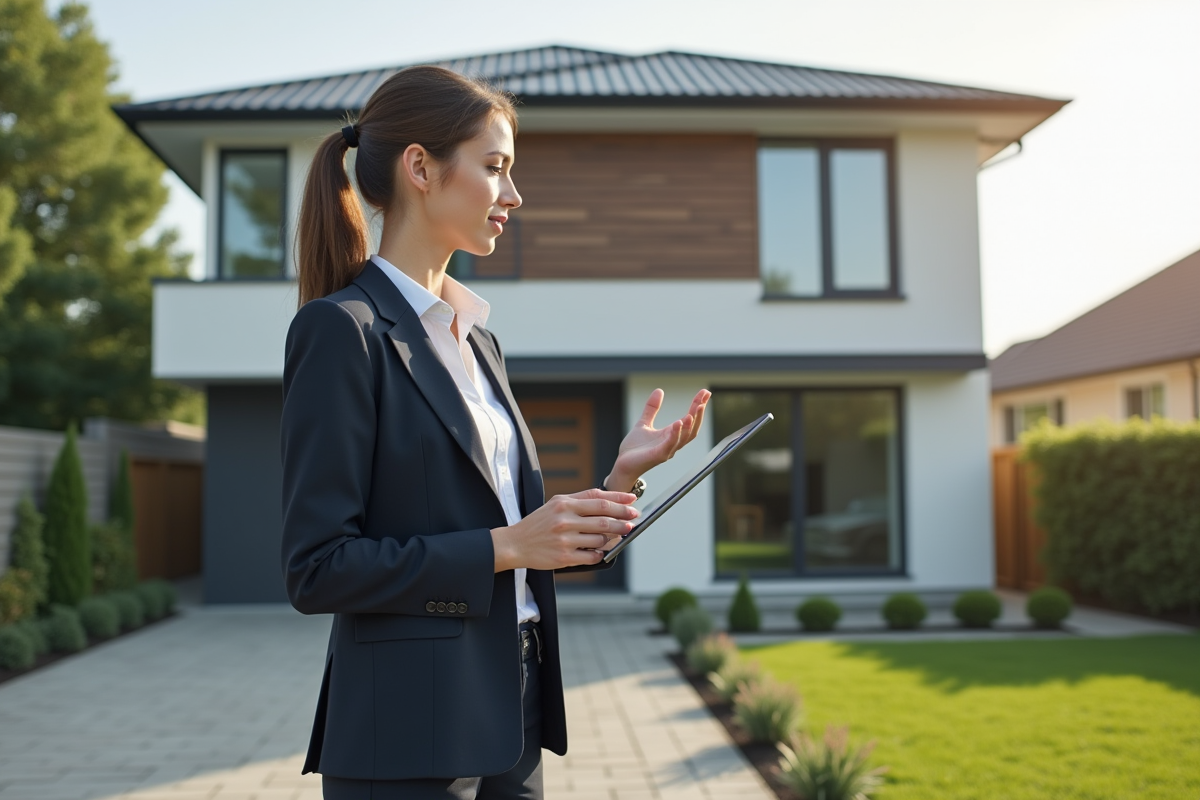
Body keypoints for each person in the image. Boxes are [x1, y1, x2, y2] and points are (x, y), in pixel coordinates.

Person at [280, 64, 710, 799]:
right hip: (408, 736)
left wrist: (617, 482)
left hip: (513, 709)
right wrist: (507, 547)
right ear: (420, 166)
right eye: (495, 167)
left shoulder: (478, 340)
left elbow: (513, 528)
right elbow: (318, 567)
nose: (513, 195)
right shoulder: (340, 332)